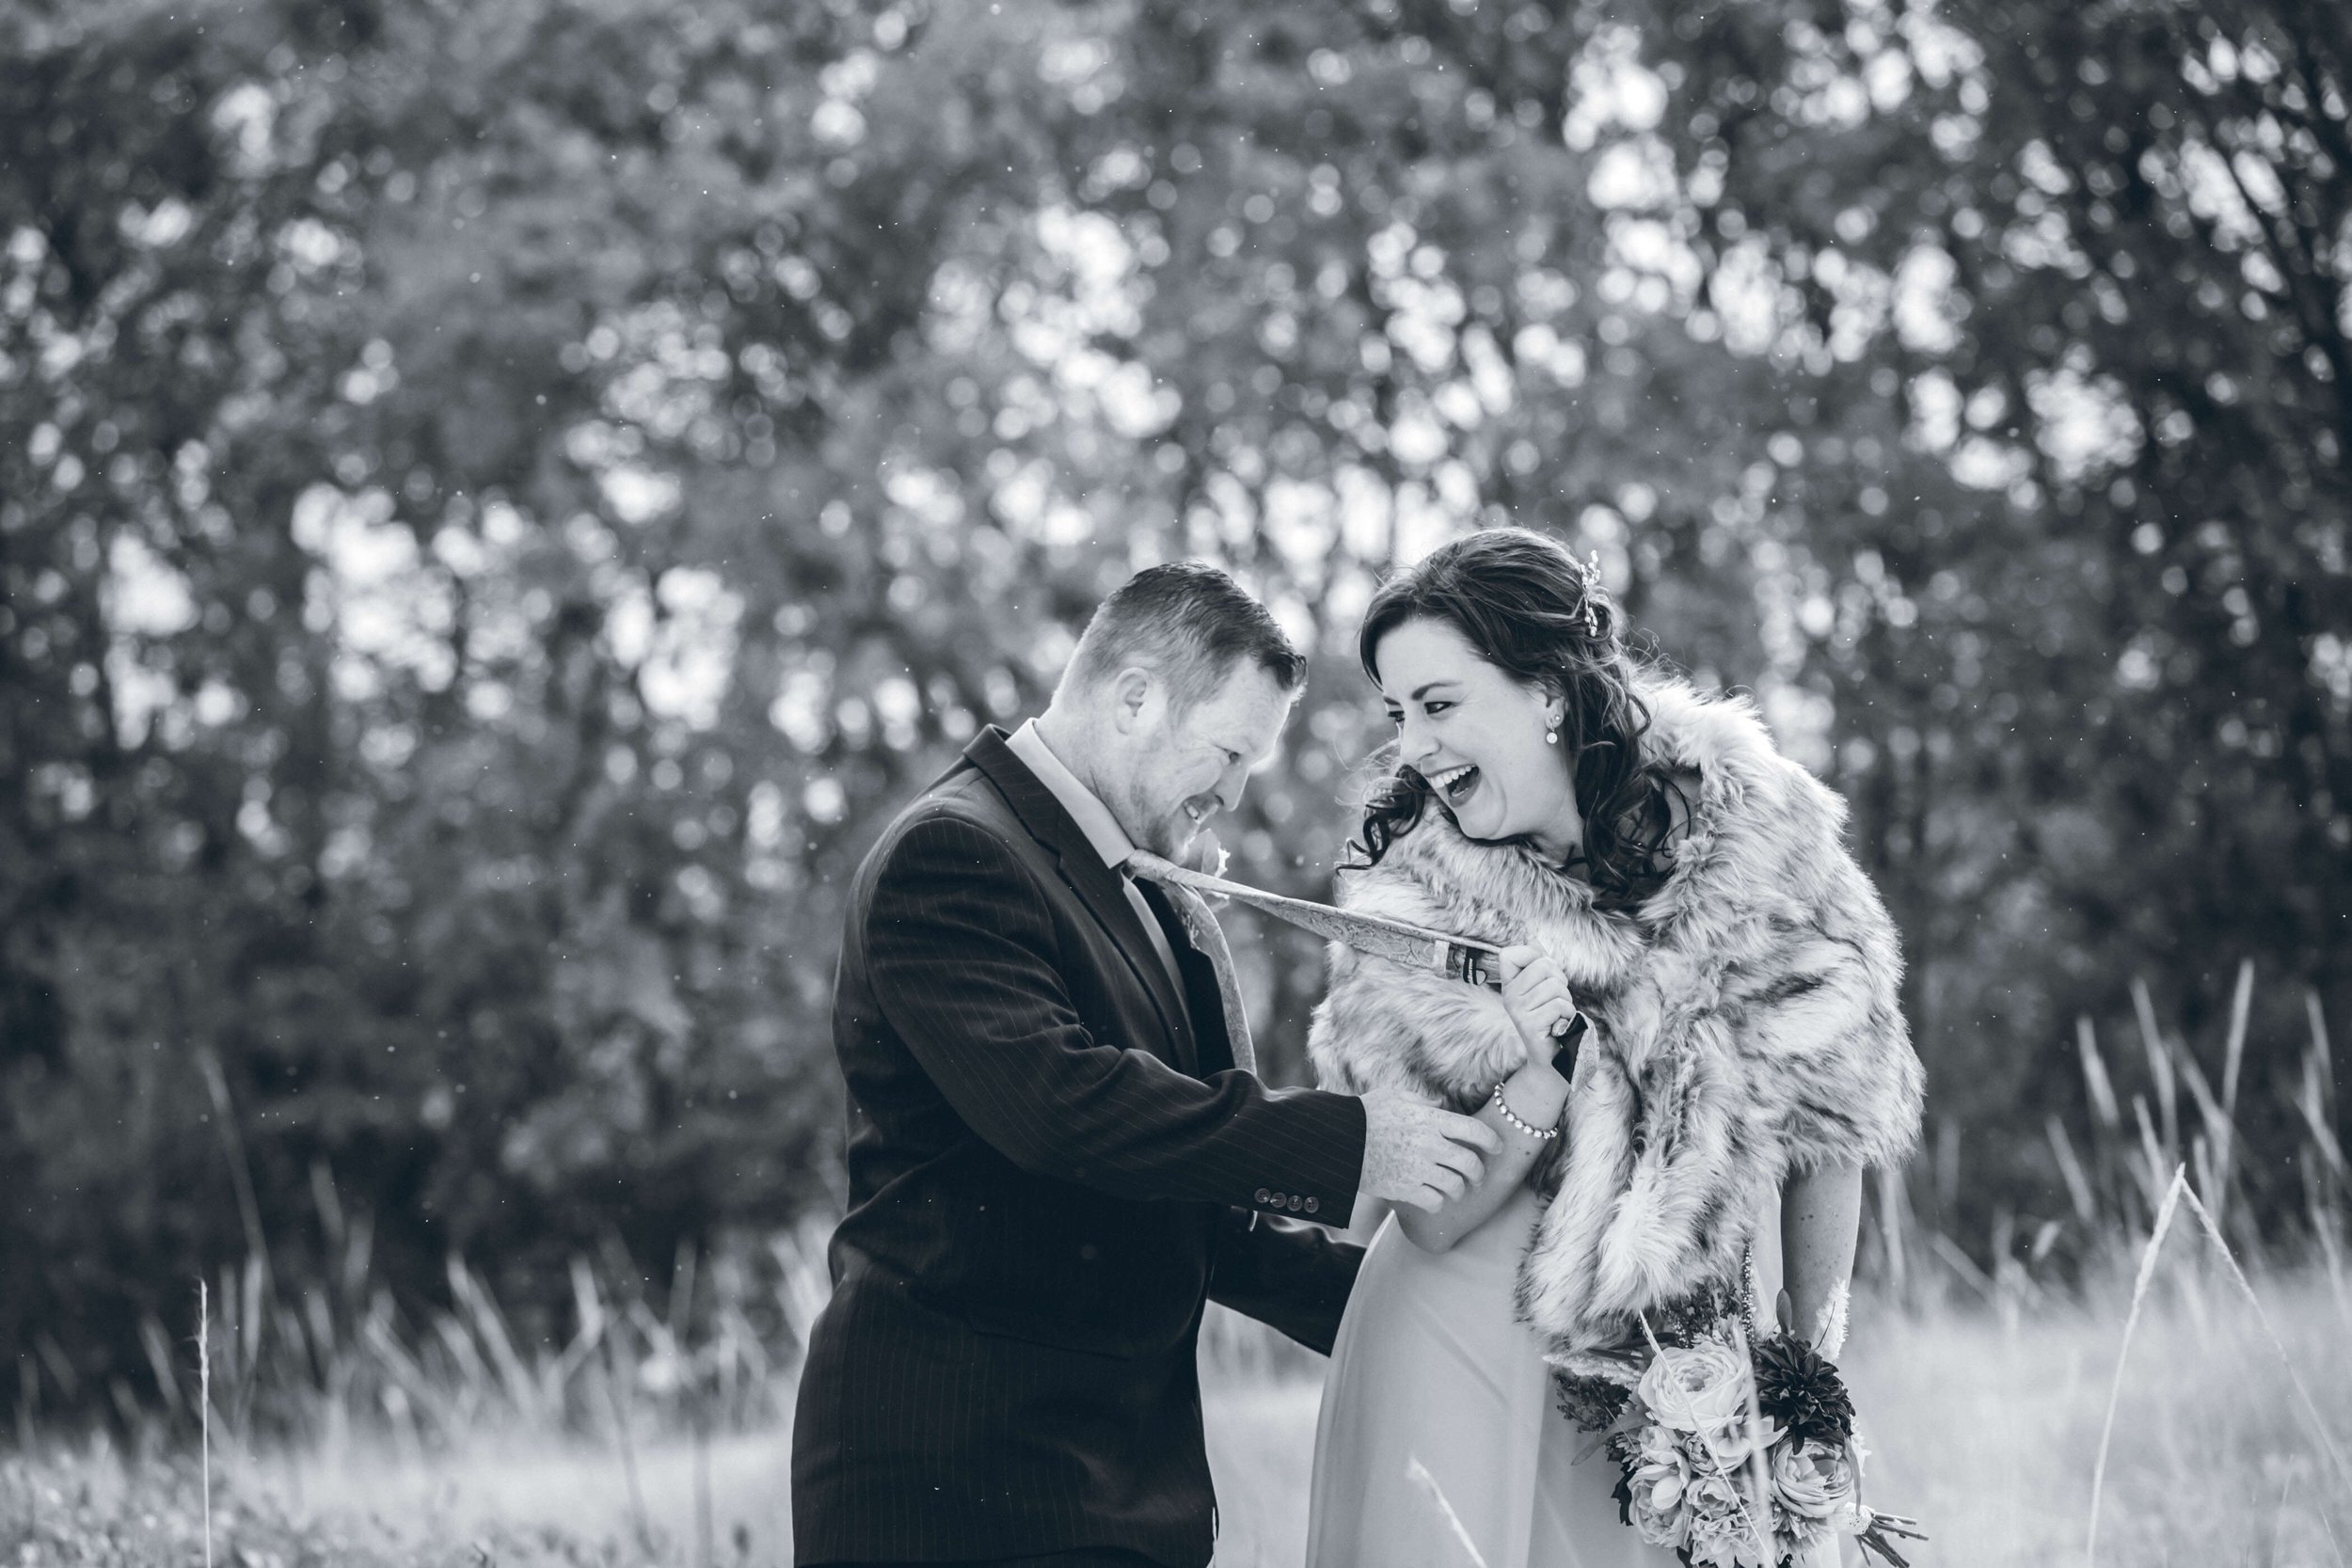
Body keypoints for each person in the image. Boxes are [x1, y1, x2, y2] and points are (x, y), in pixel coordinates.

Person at [792, 562, 1504, 1568]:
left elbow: (1217, 1230)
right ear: (1133, 696)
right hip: (957, 1485)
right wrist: (1353, 1140)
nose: (1233, 790)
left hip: (1123, 1492)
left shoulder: (1155, 893)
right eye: (1227, 751)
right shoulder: (950, 852)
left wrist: (1457, 1325)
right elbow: (1058, 1105)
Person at [1303, 529, 1926, 1568]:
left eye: (1441, 703)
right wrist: (1543, 1062)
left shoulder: (1760, 836)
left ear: (1549, 687)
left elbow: (1836, 1121)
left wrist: (1805, 1373)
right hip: (1462, 1351)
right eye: (1398, 713)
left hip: (1701, 1370)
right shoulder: (1408, 906)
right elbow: (1432, 1212)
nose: (1413, 746)